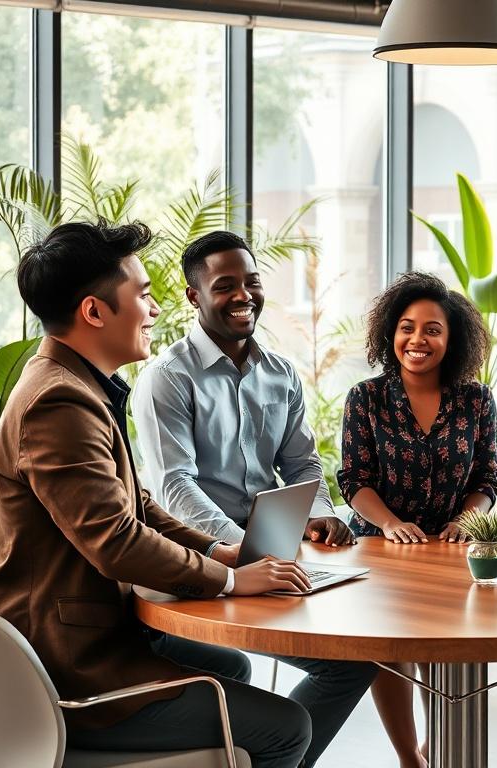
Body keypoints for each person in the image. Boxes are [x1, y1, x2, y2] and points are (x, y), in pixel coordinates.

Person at [0, 220, 312, 767]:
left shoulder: (76, 384)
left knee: (235, 666)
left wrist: (217, 551)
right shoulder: (60, 402)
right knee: (288, 727)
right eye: (144, 296)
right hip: (66, 668)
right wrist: (230, 579)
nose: (154, 312)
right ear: (94, 312)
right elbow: (117, 541)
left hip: (90, 632)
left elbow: (139, 504)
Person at [131, 230, 377, 766]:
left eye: (252, 281)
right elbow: (175, 487)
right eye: (225, 286)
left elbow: (302, 463)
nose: (244, 295)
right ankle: (276, 752)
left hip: (272, 551)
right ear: (194, 296)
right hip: (199, 560)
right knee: (345, 664)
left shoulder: (280, 372)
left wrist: (321, 515)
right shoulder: (167, 378)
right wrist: (244, 555)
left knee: (357, 650)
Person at [337, 272, 497, 768]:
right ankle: (410, 757)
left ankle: (444, 747)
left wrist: (467, 520)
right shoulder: (365, 398)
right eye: (407, 327)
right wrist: (388, 523)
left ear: (452, 340)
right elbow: (353, 479)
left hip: (451, 554)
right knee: (392, 653)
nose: (417, 340)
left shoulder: (477, 400)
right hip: (381, 553)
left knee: (446, 653)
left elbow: (487, 481)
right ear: (391, 334)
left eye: (432, 329)